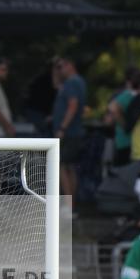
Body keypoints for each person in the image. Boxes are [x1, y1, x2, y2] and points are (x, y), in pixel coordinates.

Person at [51, 56, 86, 199]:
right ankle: (71, 205)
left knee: (62, 166)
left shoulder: (72, 83)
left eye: (61, 67)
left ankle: (68, 205)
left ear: (70, 65)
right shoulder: (76, 82)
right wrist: (55, 67)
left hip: (69, 132)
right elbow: (56, 85)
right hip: (73, 132)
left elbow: (73, 105)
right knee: (69, 167)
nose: (59, 71)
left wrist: (62, 128)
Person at [106, 67, 140, 166]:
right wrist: (124, 125)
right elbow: (112, 108)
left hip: (125, 140)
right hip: (125, 140)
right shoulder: (127, 94)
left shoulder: (128, 94)